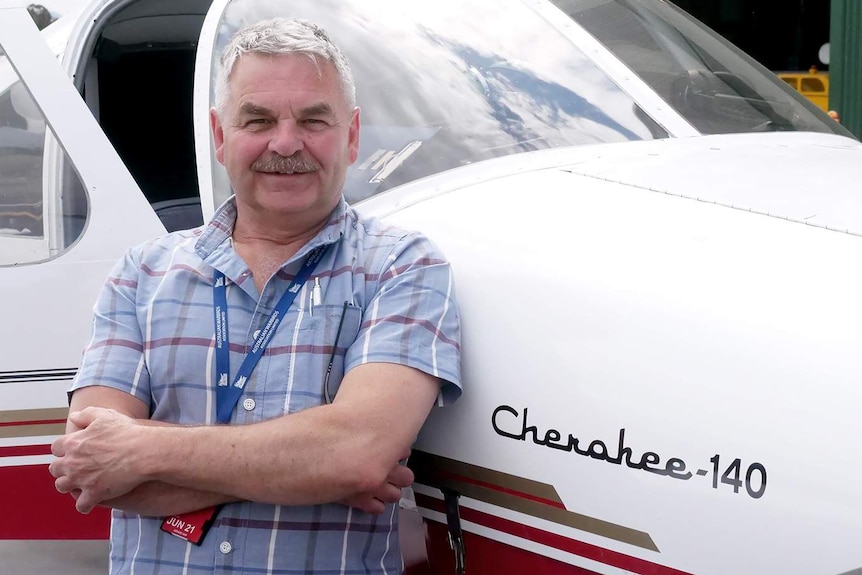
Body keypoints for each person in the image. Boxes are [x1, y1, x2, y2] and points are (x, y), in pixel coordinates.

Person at [48, 17, 461, 574]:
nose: (285, 143)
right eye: (258, 119)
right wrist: (311, 472)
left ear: (353, 135)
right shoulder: (141, 273)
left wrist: (141, 451)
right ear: (221, 136)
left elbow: (359, 455)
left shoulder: (402, 266)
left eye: (314, 119)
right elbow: (90, 467)